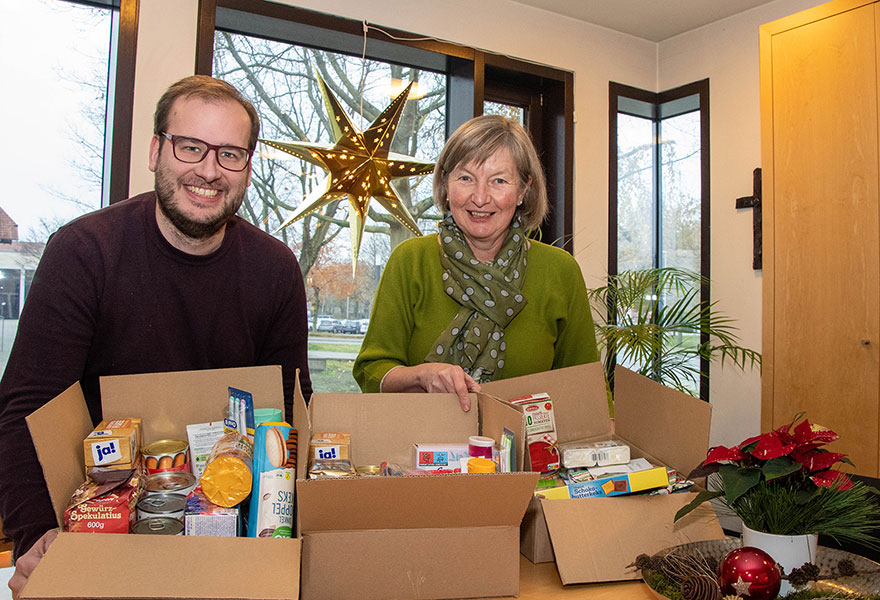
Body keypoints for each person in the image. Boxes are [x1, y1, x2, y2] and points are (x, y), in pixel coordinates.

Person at [0, 75, 312, 595]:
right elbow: (25, 407)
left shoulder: (275, 270)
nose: (209, 171)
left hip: (233, 532)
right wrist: (35, 533)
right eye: (191, 147)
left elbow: (289, 407)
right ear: (155, 150)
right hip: (100, 525)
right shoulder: (83, 252)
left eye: (230, 154)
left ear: (248, 167)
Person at [353, 115, 599, 410]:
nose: (480, 198)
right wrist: (421, 375)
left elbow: (586, 388)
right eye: (466, 178)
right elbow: (371, 371)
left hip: (526, 451)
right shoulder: (410, 261)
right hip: (423, 449)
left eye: (498, 181)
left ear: (523, 190)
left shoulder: (560, 271)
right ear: (446, 184)